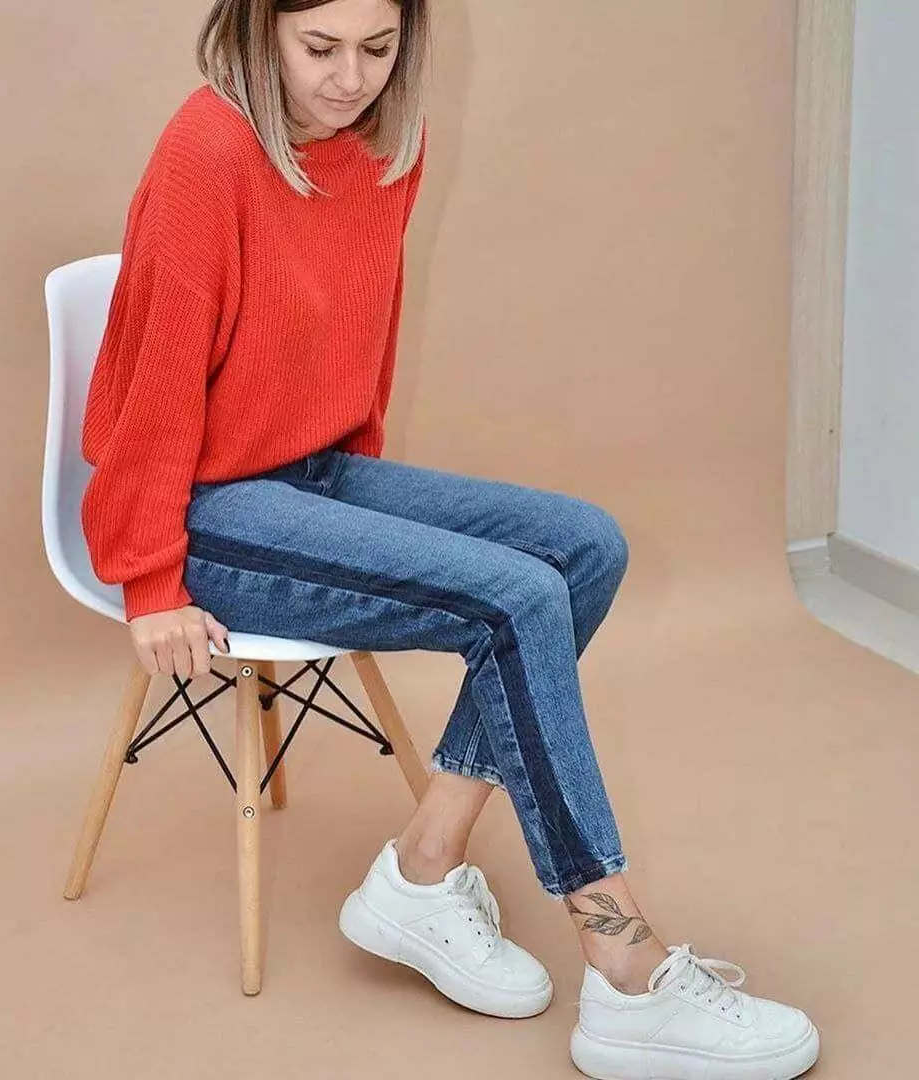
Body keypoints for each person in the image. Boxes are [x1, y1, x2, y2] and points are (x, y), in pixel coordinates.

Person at [79, 1, 820, 1076]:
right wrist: (148, 579)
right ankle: (624, 965)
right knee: (516, 598)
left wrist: (363, 503)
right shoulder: (209, 146)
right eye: (319, 47)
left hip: (313, 474)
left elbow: (355, 324)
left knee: (586, 547)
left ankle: (422, 871)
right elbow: (154, 374)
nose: (349, 79)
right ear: (258, 29)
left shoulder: (388, 143)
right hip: (205, 508)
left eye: (377, 49)